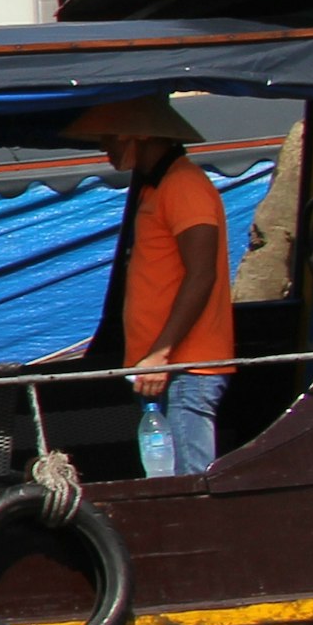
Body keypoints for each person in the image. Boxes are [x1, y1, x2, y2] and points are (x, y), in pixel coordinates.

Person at [73, 98, 235, 474]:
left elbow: (202, 273)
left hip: (185, 369)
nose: (104, 145)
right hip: (163, 369)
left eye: (110, 136)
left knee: (189, 482)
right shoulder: (154, 188)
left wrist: (162, 354)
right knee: (166, 478)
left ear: (140, 134)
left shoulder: (184, 184)